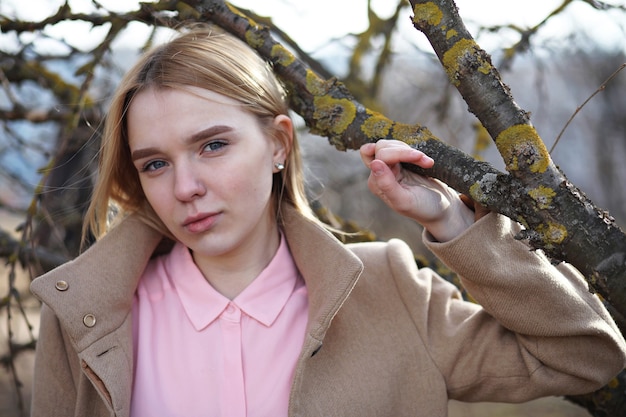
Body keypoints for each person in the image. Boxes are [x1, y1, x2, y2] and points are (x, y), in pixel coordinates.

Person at [30, 25, 625, 417]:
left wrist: (454, 223)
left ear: (279, 144)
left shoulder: (387, 288)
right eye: (156, 163)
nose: (185, 187)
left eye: (212, 146)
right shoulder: (85, 316)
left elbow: (585, 353)